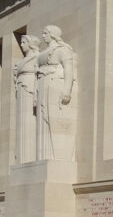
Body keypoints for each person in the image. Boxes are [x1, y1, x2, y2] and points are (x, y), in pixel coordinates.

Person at [36, 25, 76, 160]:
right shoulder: (45, 51)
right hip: (43, 85)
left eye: (45, 33)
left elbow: (69, 69)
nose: (42, 36)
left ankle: (54, 157)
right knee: (43, 120)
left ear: (52, 34)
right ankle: (43, 157)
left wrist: (67, 90)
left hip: (54, 84)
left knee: (51, 119)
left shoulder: (63, 50)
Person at [12, 34, 40, 163]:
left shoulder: (37, 58)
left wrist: (36, 95)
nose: (21, 45)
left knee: (29, 122)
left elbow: (38, 78)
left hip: (29, 89)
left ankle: (28, 159)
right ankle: (22, 160)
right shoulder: (22, 62)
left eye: (24, 42)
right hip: (22, 90)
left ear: (31, 44)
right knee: (22, 124)